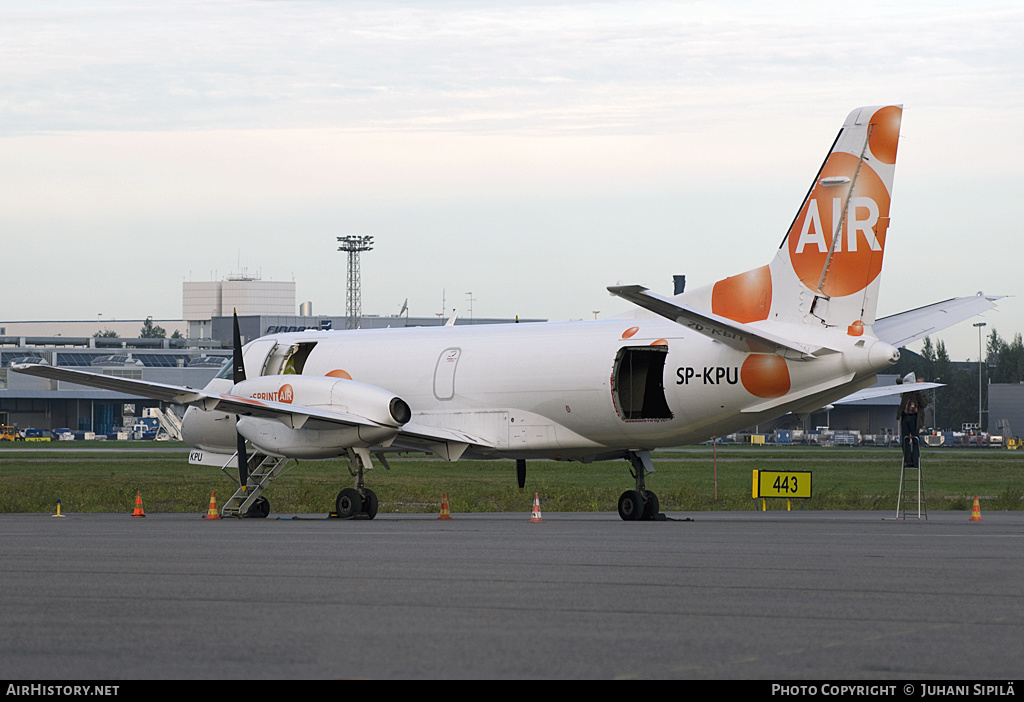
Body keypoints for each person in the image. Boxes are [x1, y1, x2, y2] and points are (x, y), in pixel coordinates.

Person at [897, 374, 928, 467]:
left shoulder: (922, 394)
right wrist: (909, 383)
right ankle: (908, 460)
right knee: (905, 440)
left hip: (915, 418)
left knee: (915, 439)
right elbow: (898, 381)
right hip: (905, 416)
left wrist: (918, 393)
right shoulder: (908, 390)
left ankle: (915, 461)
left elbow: (924, 404)